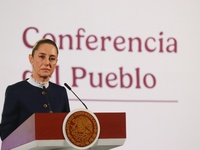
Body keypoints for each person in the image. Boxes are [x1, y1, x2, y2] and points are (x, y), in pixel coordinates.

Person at [0, 39, 70, 141]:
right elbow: (6, 132)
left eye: (52, 58)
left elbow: (67, 130)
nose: (47, 62)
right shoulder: (15, 91)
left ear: (56, 62)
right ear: (31, 59)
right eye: (42, 57)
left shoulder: (60, 92)